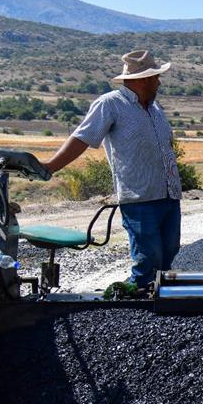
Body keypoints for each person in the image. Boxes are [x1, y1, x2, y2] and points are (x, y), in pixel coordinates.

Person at [43, 50, 181, 290]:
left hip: (169, 194)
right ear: (143, 79)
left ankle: (156, 295)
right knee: (149, 257)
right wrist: (50, 167)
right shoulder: (110, 104)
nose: (159, 82)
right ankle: (137, 299)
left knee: (169, 250)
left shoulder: (155, 108)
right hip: (140, 197)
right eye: (155, 77)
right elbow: (82, 137)